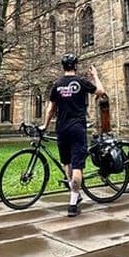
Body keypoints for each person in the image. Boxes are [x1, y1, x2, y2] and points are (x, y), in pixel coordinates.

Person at [42, 53, 105, 217]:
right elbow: (100, 91)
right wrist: (95, 76)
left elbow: (51, 109)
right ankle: (72, 202)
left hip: (61, 128)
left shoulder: (56, 84)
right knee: (77, 166)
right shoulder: (81, 82)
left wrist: (45, 125)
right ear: (75, 66)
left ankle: (74, 195)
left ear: (63, 67)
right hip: (77, 127)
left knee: (67, 163)